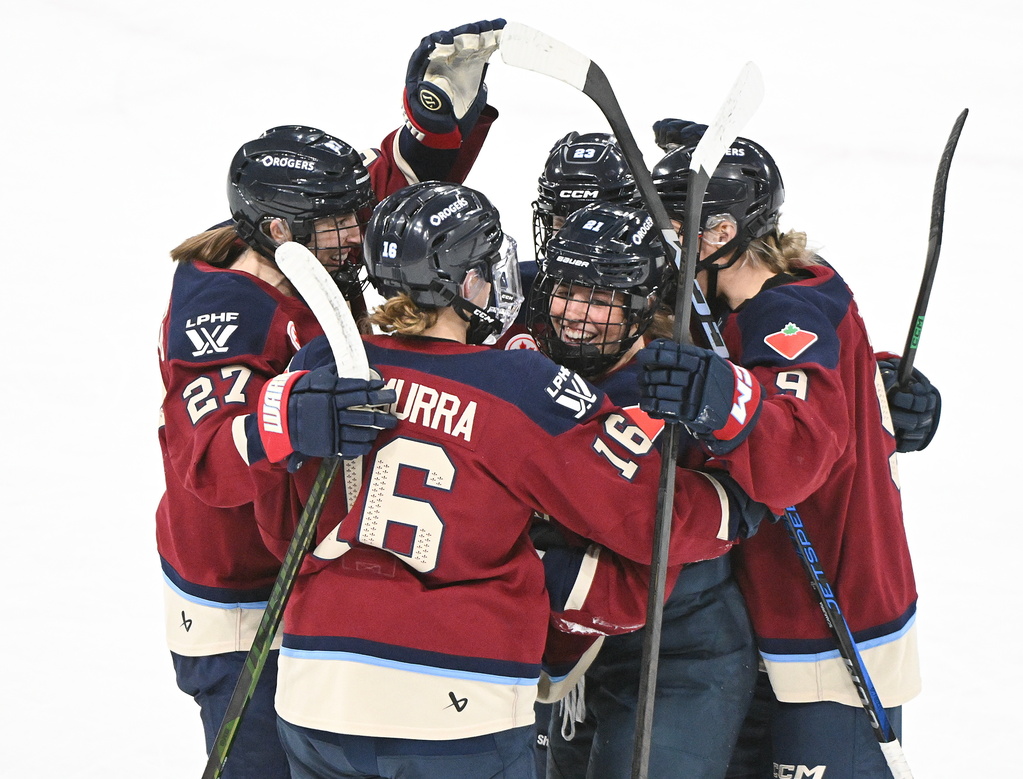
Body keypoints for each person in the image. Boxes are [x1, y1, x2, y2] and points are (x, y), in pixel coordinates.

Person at [246, 181, 770, 779]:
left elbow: (281, 528)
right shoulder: (521, 385)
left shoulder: (320, 366)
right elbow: (648, 518)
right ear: (466, 282)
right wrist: (736, 505)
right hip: (460, 703)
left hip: (319, 690)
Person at [155, 20, 505, 776]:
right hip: (240, 595)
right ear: (279, 227)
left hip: (308, 577)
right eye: (340, 223)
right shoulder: (225, 307)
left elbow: (392, 196)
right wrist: (294, 417)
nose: (359, 234)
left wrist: (438, 125)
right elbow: (206, 456)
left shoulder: (303, 241)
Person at [637, 123, 933, 779]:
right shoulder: (795, 279)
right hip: (773, 612)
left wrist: (719, 396)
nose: (675, 245)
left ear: (734, 234)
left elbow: (792, 463)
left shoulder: (785, 313)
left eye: (697, 227)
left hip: (830, 628)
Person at [525, 198, 760, 779]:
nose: (576, 312)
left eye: (603, 298)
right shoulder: (528, 352)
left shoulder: (675, 384)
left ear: (647, 305)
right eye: (568, 290)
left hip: (679, 647)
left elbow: (796, 436)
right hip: (574, 643)